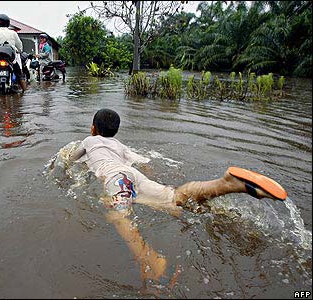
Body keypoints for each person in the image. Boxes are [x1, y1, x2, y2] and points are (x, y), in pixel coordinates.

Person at [63, 108, 288, 287]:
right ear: (116, 132)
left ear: (93, 128)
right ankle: (226, 184)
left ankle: (150, 260)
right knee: (176, 197)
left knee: (119, 216)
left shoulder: (89, 140)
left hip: (115, 178)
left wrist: (67, 164)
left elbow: (71, 160)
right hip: (133, 175)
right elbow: (144, 163)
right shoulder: (120, 146)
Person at [0, 14, 26, 93]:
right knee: (19, 74)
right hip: (10, 58)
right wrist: (20, 50)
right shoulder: (13, 33)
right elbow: (19, 45)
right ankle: (24, 91)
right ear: (8, 23)